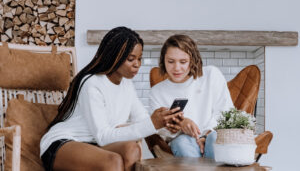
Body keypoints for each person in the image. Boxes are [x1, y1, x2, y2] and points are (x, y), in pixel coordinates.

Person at [40, 27, 182, 171]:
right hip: (64, 143)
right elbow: (103, 136)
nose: (137, 64)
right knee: (113, 162)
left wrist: (166, 125)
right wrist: (152, 123)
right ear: (115, 56)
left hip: (94, 144)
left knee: (132, 149)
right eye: (131, 59)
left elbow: (143, 120)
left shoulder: (126, 84)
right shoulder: (91, 83)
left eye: (139, 58)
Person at [149, 34, 234, 158]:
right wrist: (179, 125)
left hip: (212, 134)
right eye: (171, 61)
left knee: (215, 139)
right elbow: (159, 130)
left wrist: (205, 135)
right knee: (182, 143)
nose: (177, 68)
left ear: (192, 60)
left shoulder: (211, 75)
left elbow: (225, 111)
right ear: (163, 60)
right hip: (182, 141)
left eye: (183, 62)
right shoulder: (157, 91)